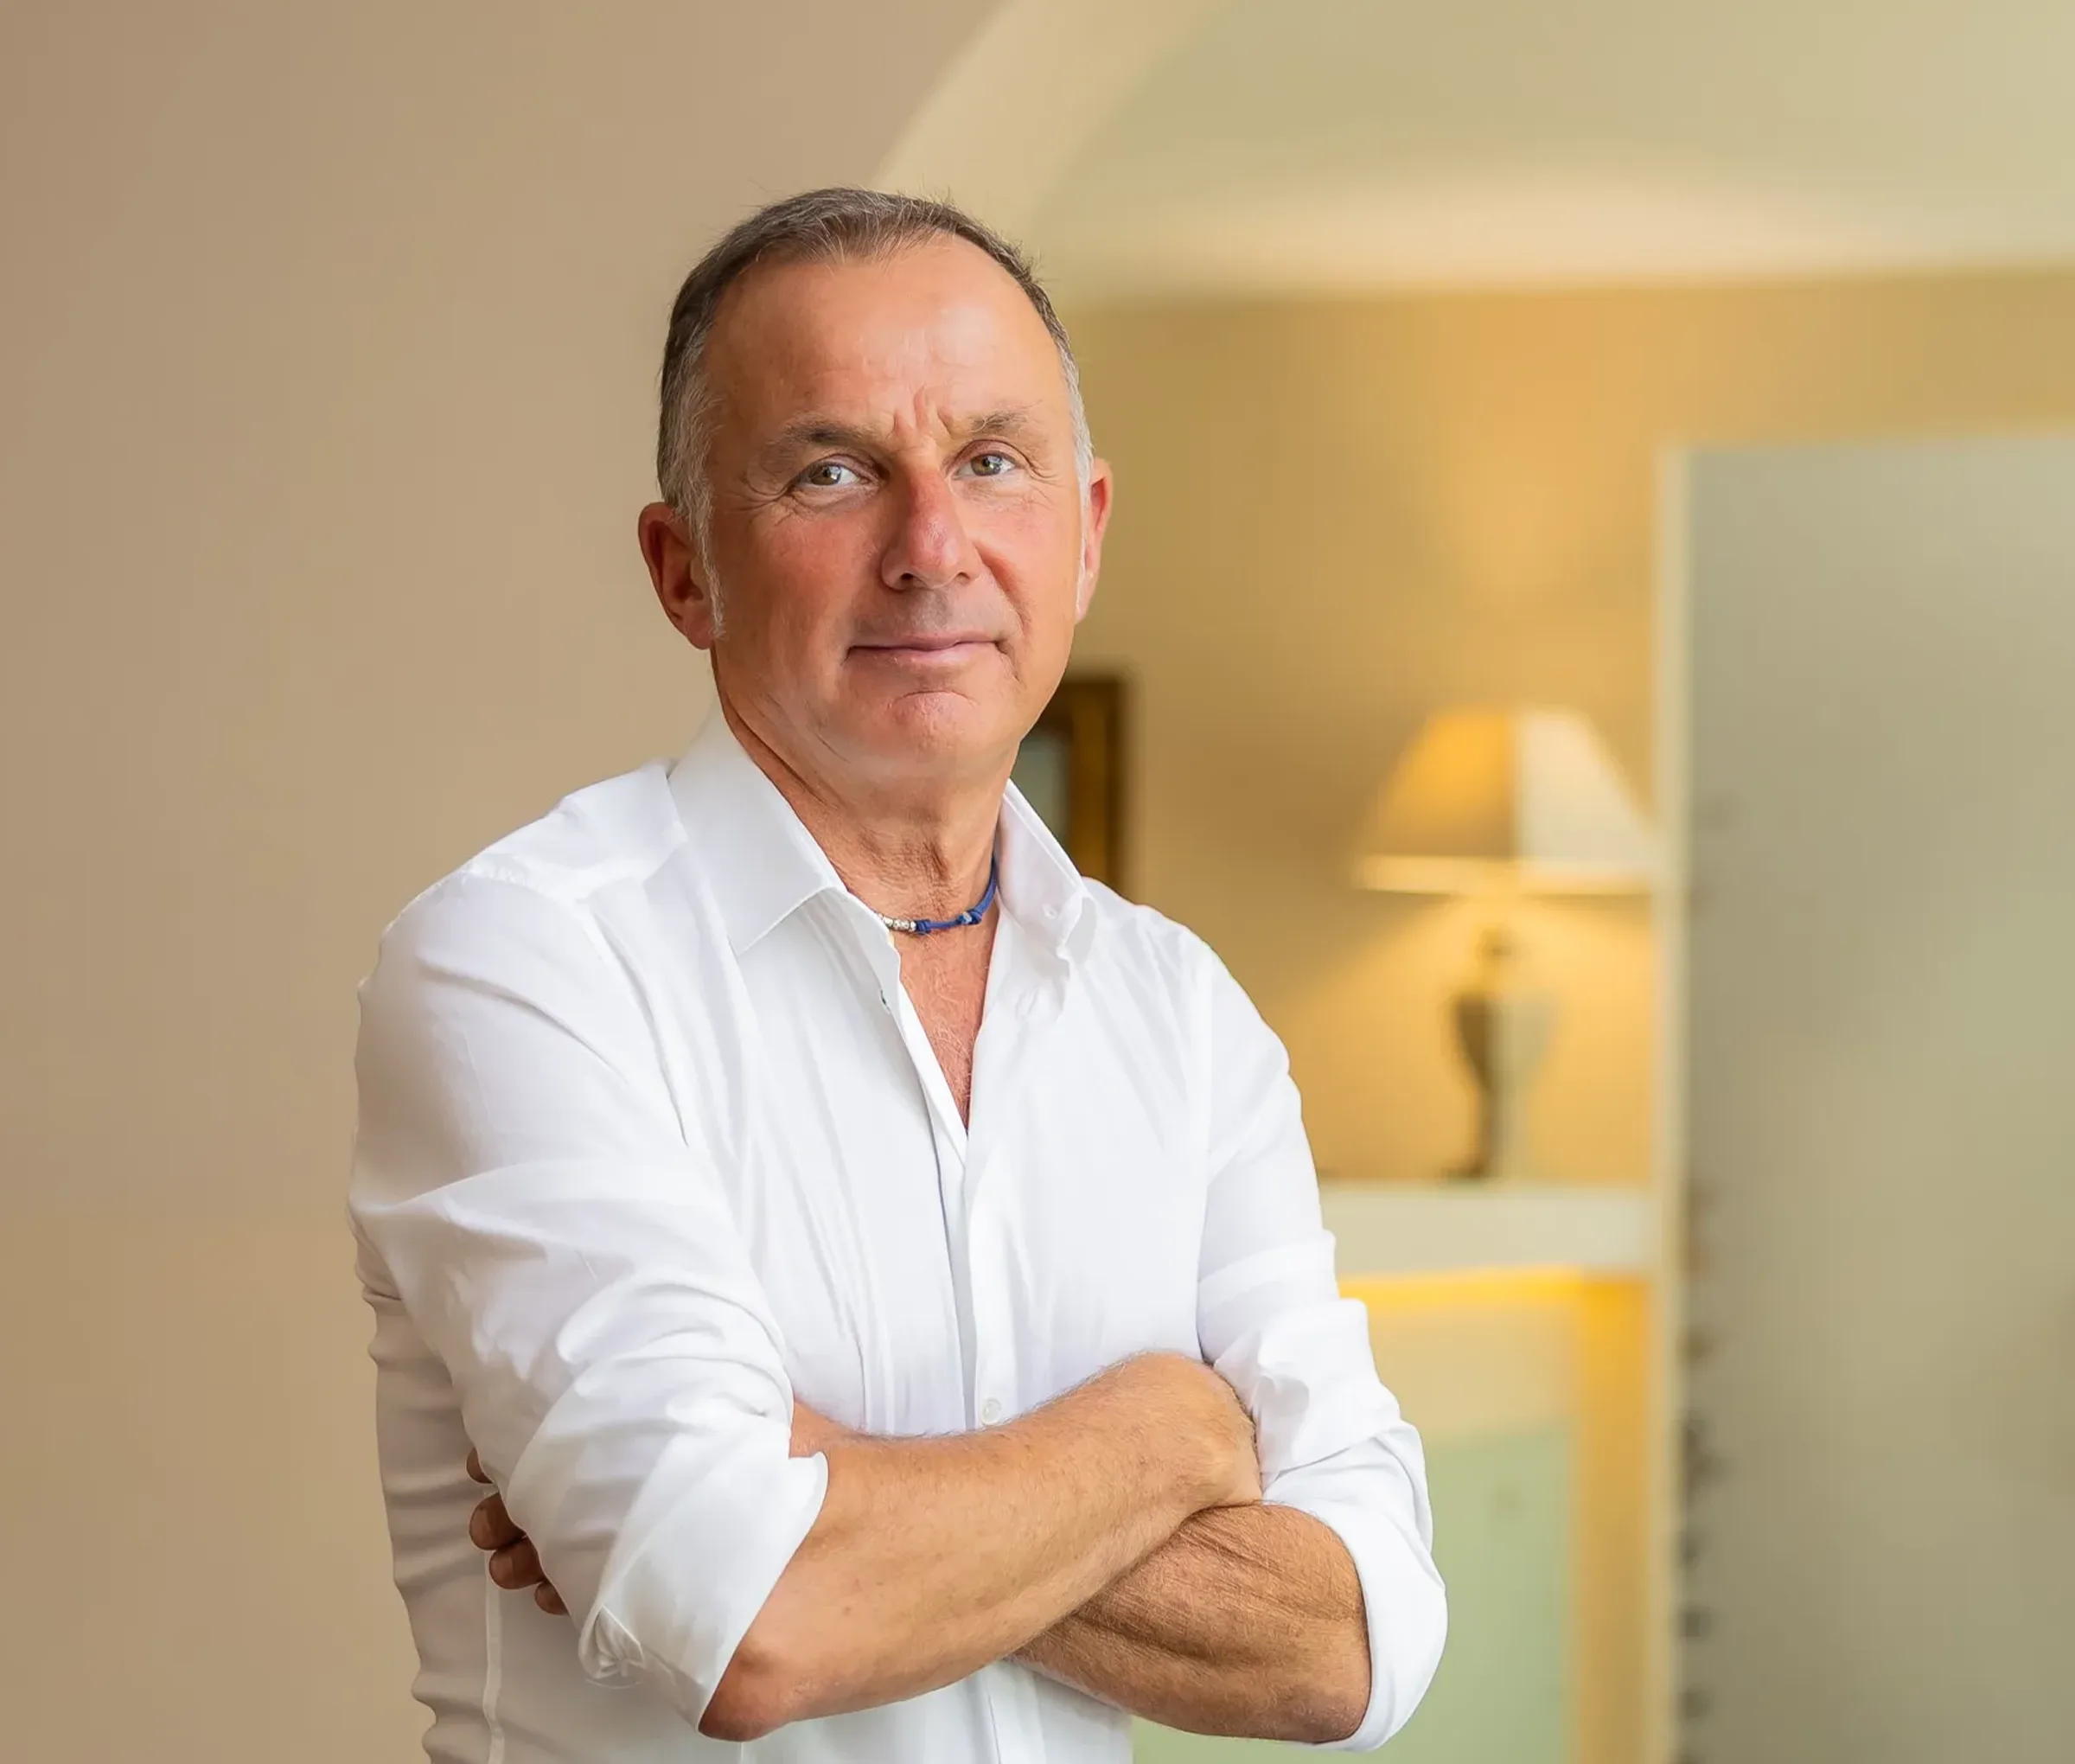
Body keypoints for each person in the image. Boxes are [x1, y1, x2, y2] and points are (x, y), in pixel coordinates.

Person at [348, 187, 1445, 1763]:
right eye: (832, 472)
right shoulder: (525, 962)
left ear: (1087, 533)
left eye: (993, 461)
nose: (932, 549)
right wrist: (1172, 1435)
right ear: (683, 571)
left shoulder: (1183, 1016)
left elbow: (1351, 1645)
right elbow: (755, 1619)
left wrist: (825, 1478)